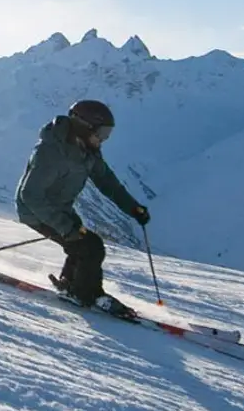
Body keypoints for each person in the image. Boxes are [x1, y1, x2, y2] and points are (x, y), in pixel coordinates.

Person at [15, 99, 151, 315]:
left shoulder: (88, 151)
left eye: (107, 134)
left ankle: (70, 285)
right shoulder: (51, 152)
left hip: (61, 209)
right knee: (91, 246)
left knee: (81, 245)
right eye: (101, 133)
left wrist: (133, 208)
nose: (103, 139)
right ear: (84, 127)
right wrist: (65, 227)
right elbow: (30, 195)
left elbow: (107, 182)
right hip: (36, 211)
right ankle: (87, 295)